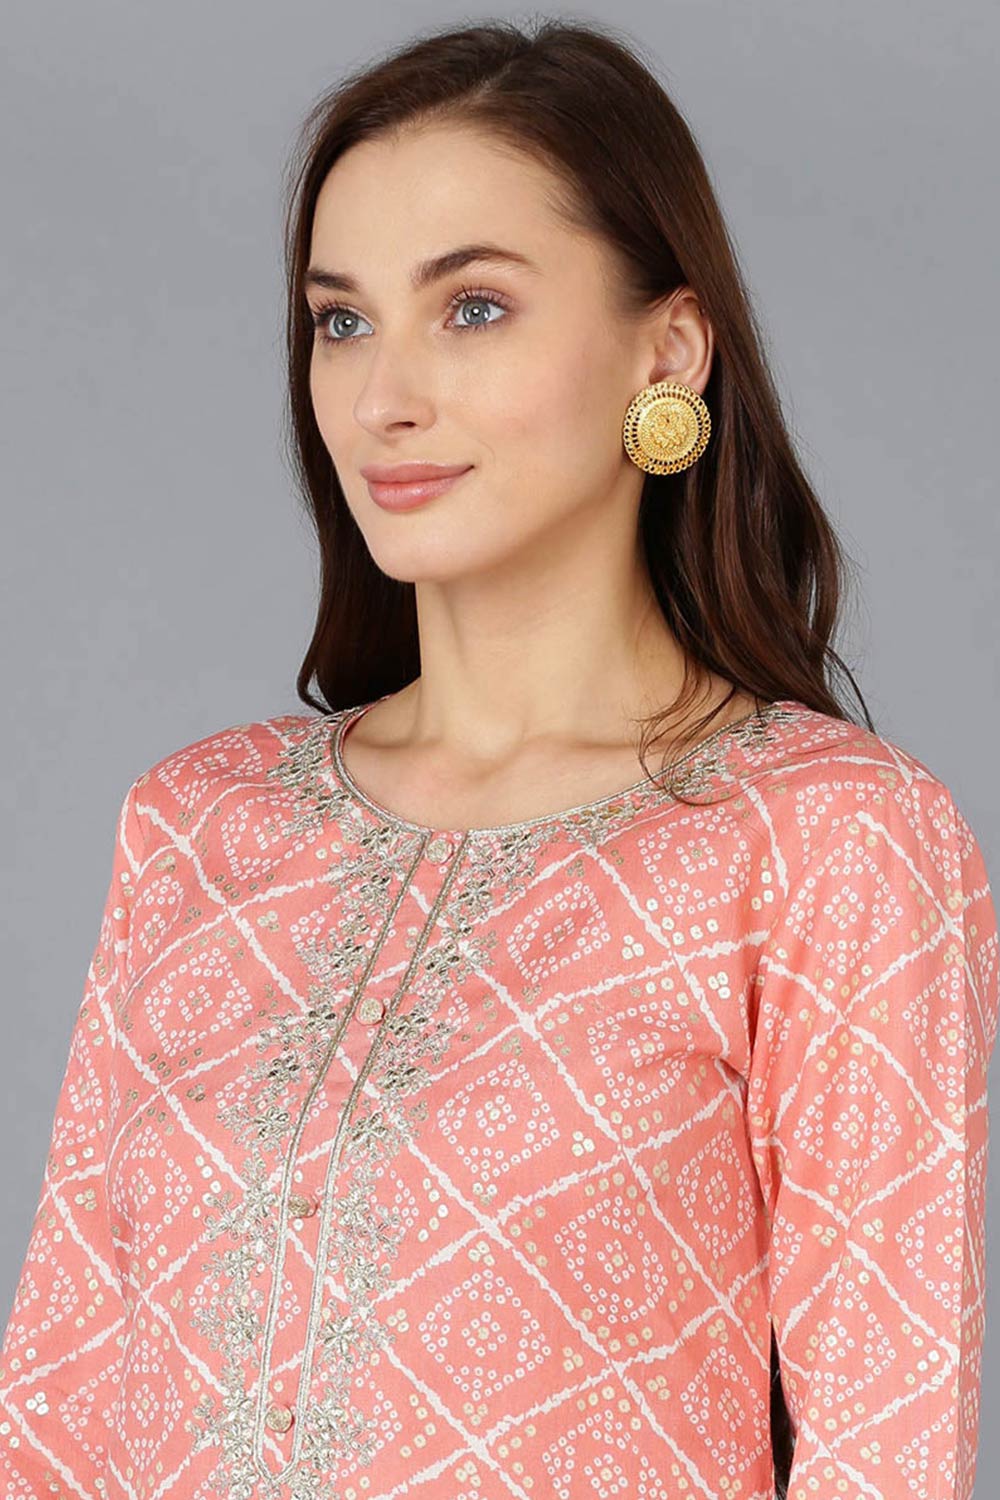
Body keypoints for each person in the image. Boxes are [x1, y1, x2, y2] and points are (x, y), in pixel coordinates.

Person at [1, 16, 996, 1500]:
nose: (383, 396)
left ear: (668, 349)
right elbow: (57, 1417)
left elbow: (886, 1455)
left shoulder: (824, 843)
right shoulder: (200, 825)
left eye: (472, 308)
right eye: (342, 321)